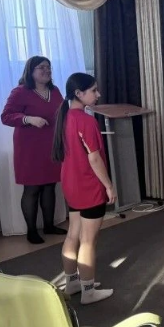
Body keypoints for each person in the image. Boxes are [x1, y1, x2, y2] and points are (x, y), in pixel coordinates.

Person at [52, 73, 116, 305]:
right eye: (94, 90)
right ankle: (88, 290)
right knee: (88, 240)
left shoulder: (64, 117)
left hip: (71, 184)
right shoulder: (86, 121)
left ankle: (72, 282)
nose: (98, 94)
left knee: (73, 234)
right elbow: (94, 159)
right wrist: (109, 185)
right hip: (88, 186)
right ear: (79, 94)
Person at [1, 56, 67, 244]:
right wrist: (28, 119)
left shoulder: (54, 91)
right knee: (32, 188)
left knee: (50, 186)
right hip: (29, 149)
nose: (47, 70)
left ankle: (49, 225)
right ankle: (31, 230)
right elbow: (6, 116)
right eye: (41, 67)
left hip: (51, 146)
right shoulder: (20, 92)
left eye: (49, 67)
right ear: (30, 71)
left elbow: (63, 113)